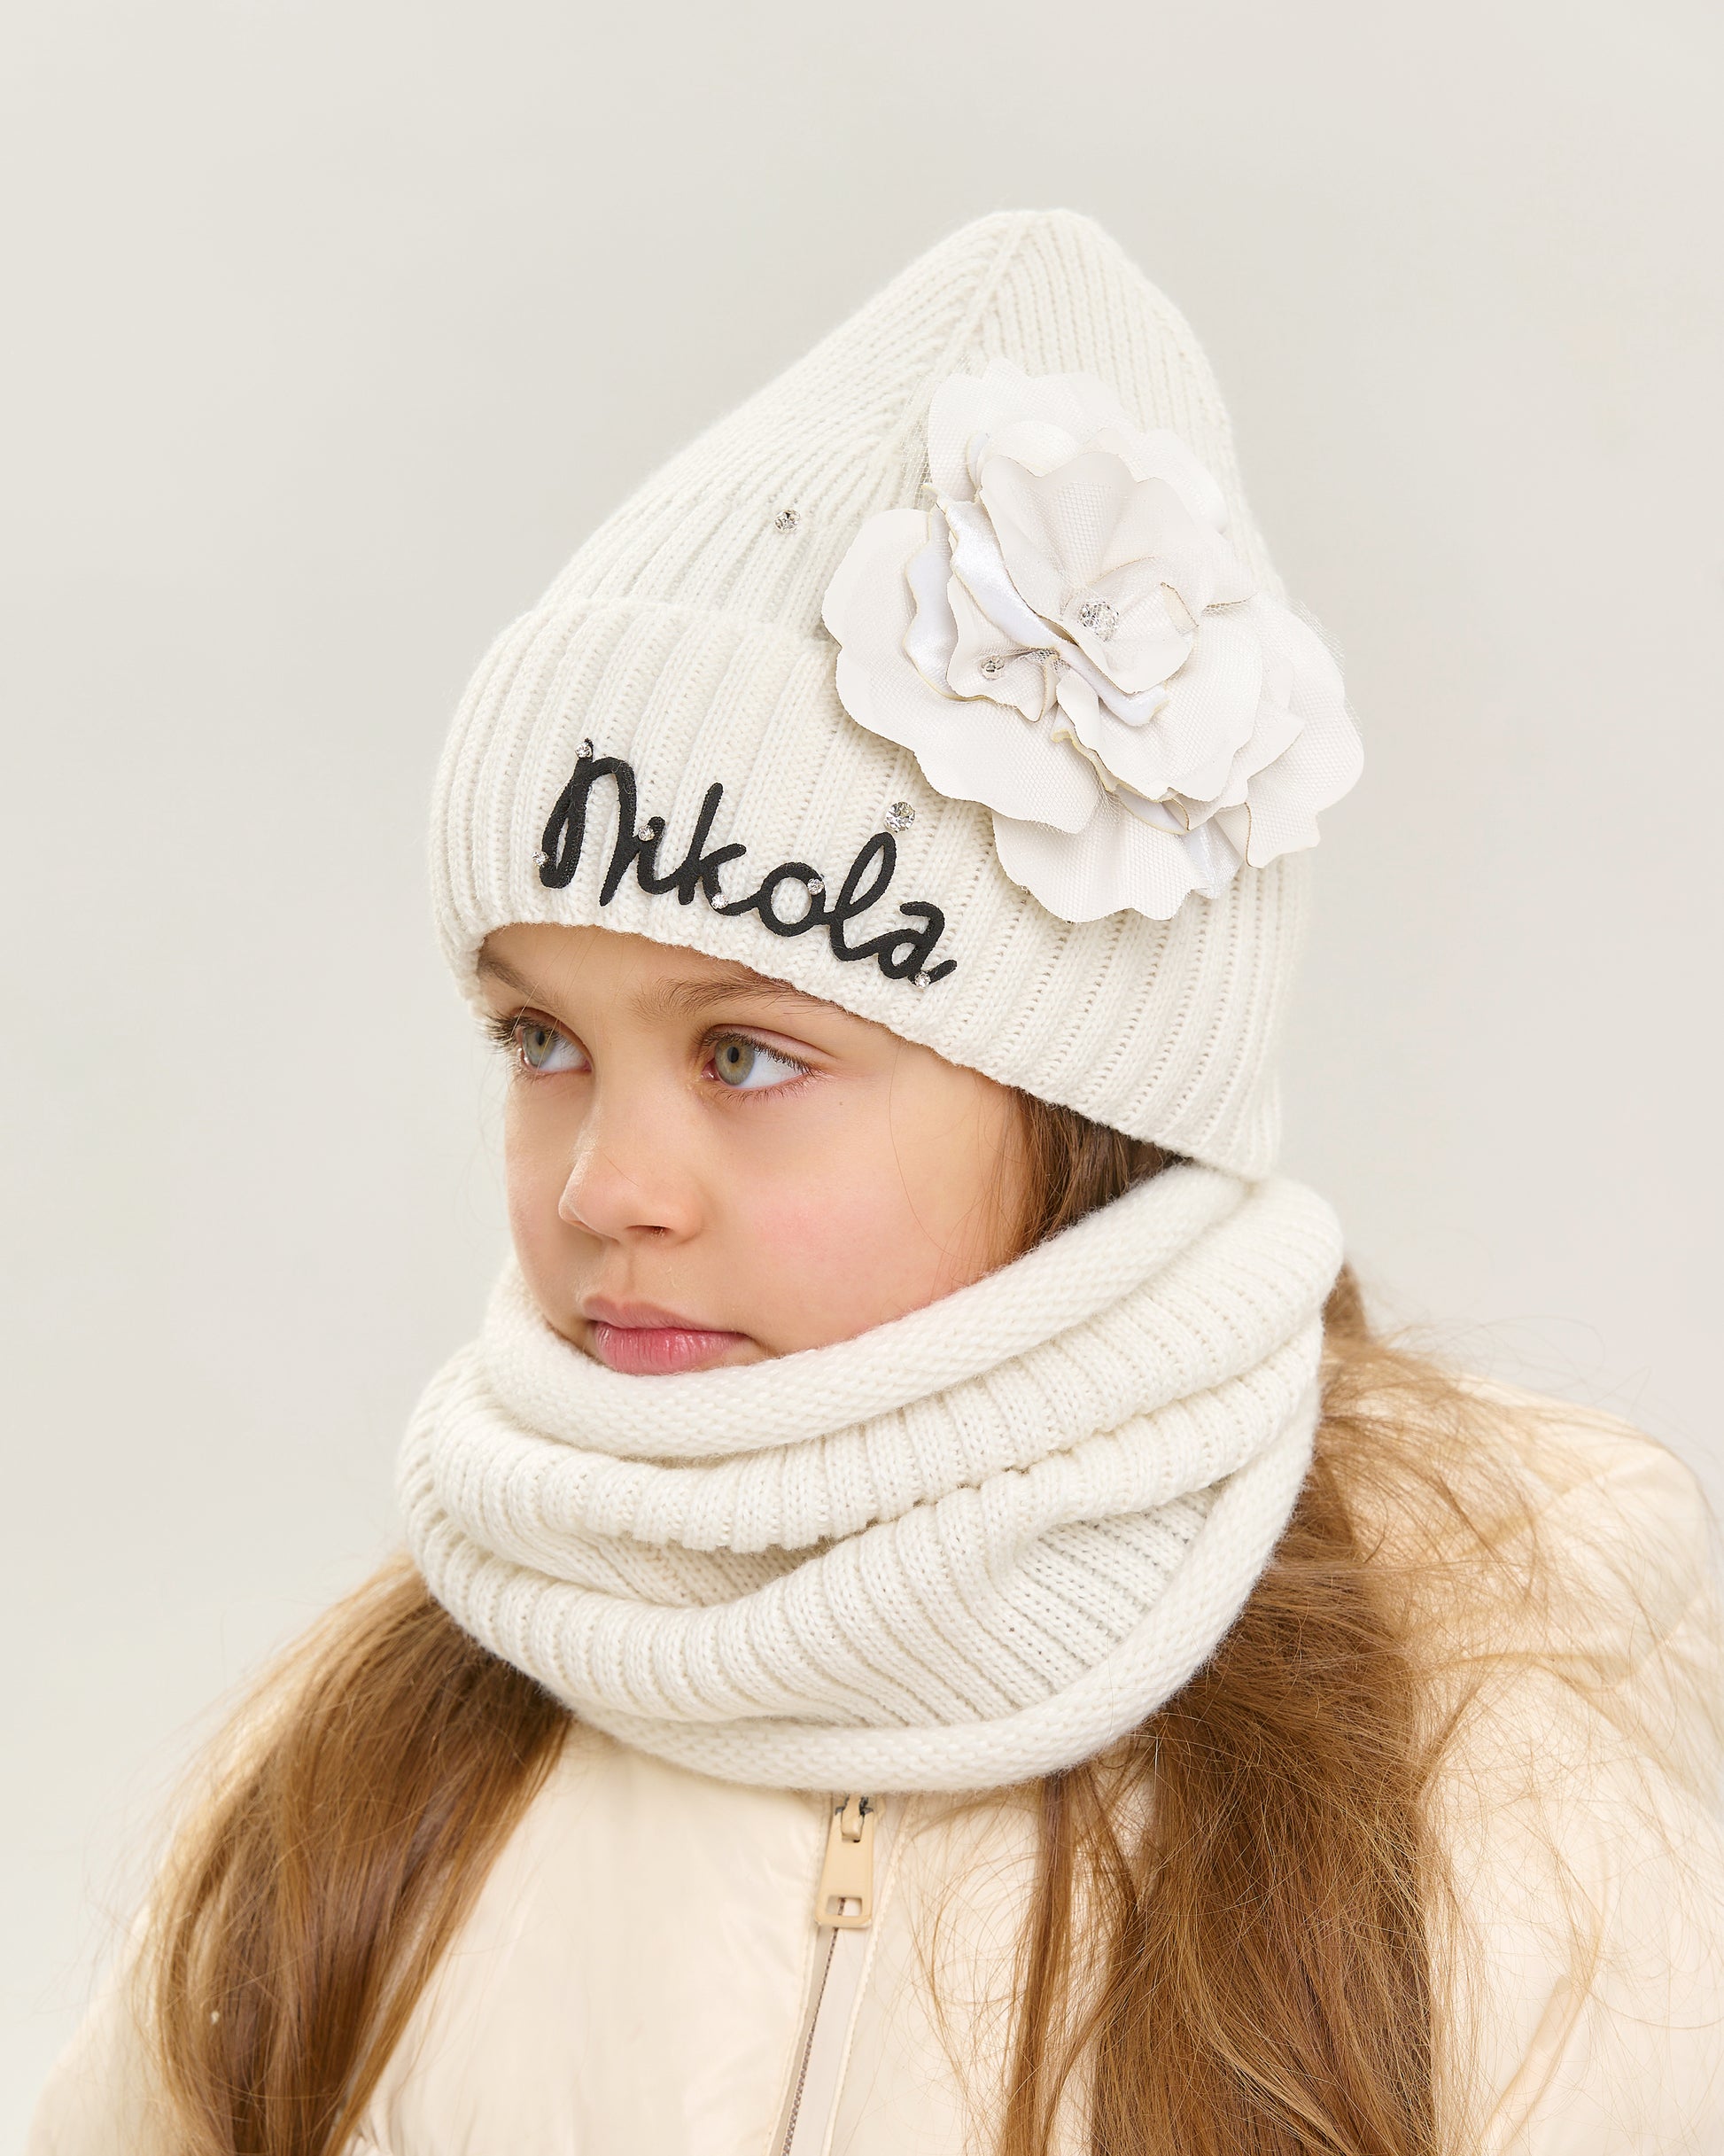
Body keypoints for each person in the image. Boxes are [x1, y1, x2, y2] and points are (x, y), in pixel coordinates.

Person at [28, 210, 1724, 2156]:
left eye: (746, 1055)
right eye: (541, 1038)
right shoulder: (367, 1777)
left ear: (1087, 1099)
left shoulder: (1477, 1796)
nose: (608, 1186)